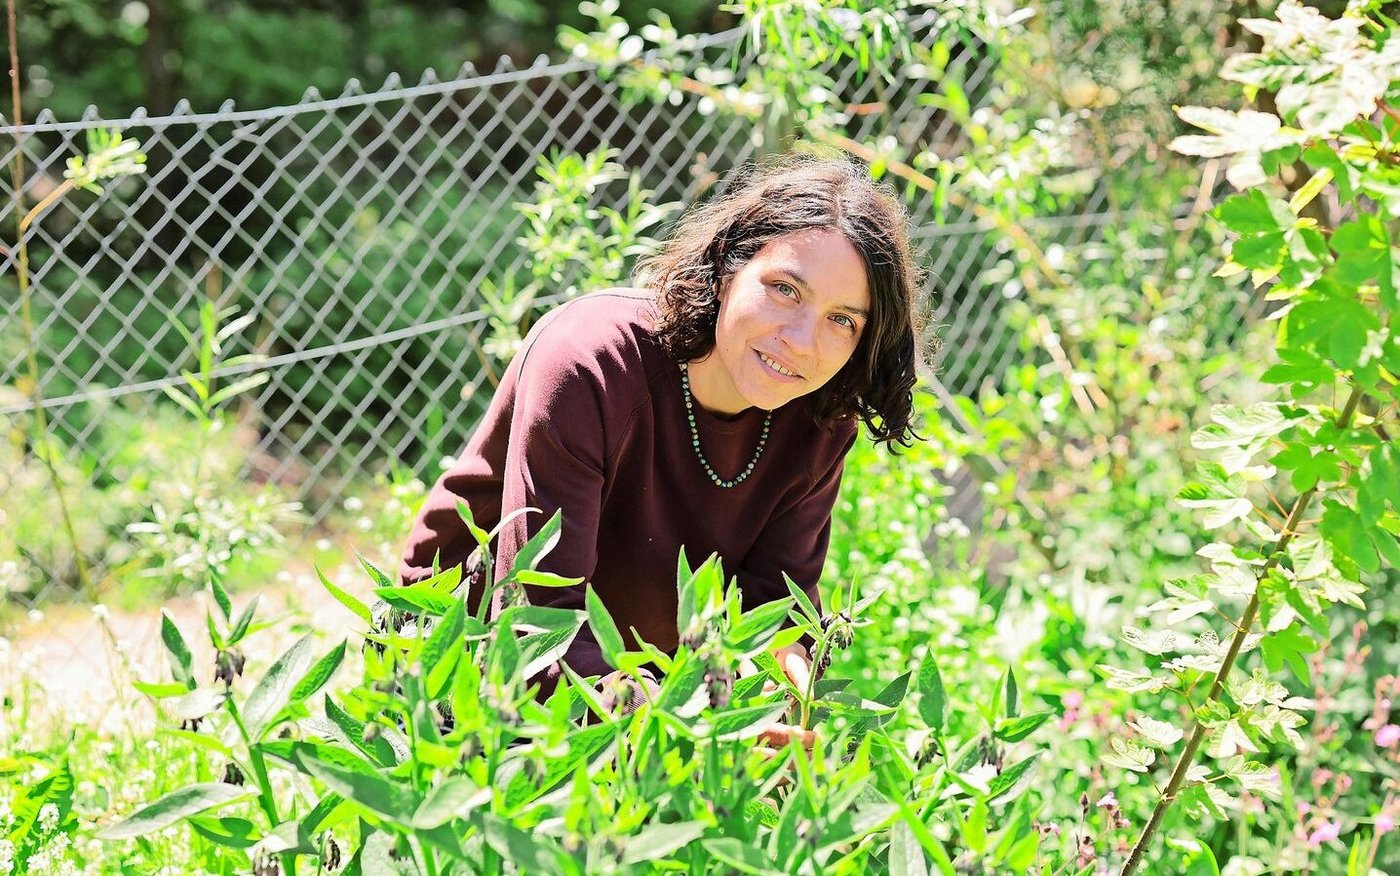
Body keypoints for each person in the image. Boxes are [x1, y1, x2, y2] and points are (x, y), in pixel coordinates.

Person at [399, 154, 923, 714]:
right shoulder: (589, 365)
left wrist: (777, 698)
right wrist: (685, 727)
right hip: (470, 662)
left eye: (842, 320)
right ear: (727, 270)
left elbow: (777, 601)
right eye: (786, 290)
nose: (803, 341)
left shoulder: (818, 412)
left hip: (642, 683)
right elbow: (535, 622)